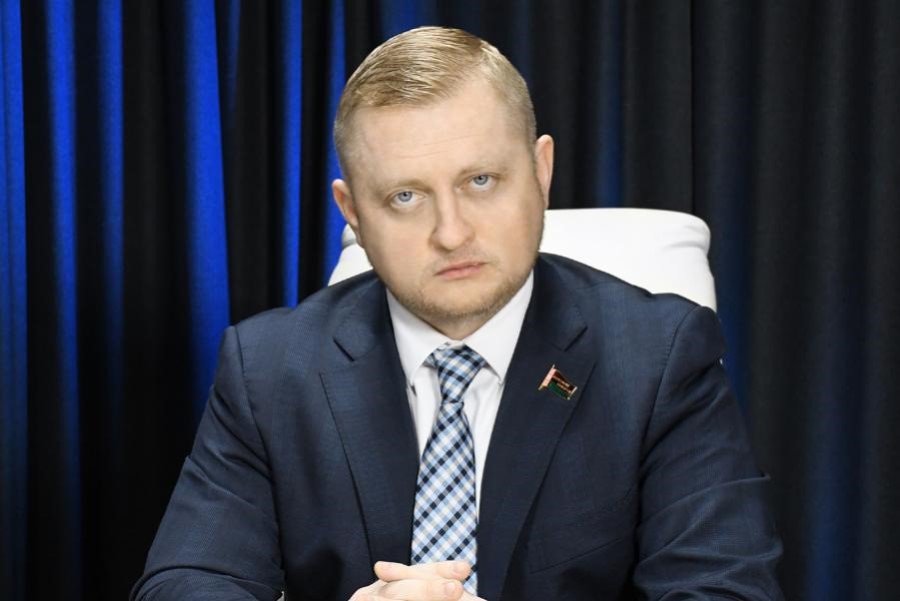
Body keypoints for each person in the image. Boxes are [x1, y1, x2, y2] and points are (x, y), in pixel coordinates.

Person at [133, 26, 783, 601]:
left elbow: (725, 588)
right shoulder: (267, 369)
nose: (451, 233)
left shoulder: (660, 358)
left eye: (480, 181)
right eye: (405, 196)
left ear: (541, 171)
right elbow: (183, 582)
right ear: (352, 211)